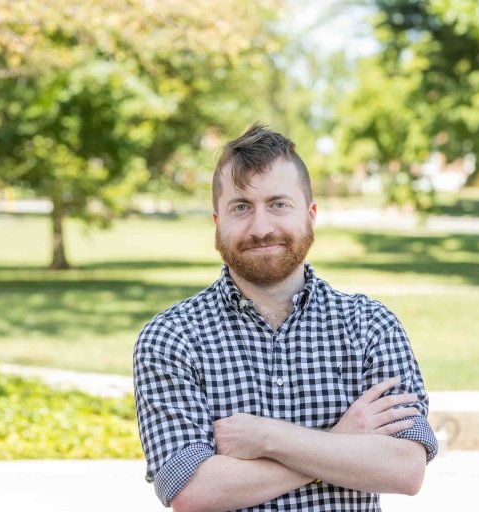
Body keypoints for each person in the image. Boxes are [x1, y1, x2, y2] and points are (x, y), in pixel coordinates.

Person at [133, 124, 437, 512]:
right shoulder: (171, 339)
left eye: (279, 204)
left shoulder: (370, 326)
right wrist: (340, 440)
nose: (261, 228)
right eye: (241, 207)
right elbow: (191, 491)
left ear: (310, 215)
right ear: (217, 223)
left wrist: (268, 438)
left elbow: (404, 469)